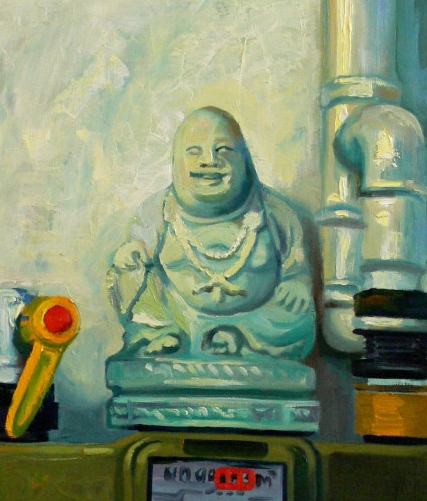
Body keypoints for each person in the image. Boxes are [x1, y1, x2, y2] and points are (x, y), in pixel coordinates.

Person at [108, 107, 316, 361]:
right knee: (134, 281)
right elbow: (138, 250)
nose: (209, 161)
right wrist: (132, 256)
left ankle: (238, 337)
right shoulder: (157, 210)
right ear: (175, 161)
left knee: (298, 319)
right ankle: (160, 333)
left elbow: (295, 264)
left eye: (223, 150)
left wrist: (297, 283)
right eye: (194, 152)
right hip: (181, 319)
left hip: (255, 321)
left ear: (244, 158)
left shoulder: (274, 211)